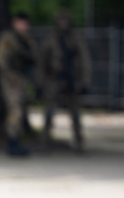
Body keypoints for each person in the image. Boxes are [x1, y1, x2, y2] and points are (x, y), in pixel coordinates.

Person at [38, 8, 91, 151]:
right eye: (61, 20)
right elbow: (42, 61)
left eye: (65, 20)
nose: (63, 23)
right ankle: (44, 141)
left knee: (75, 113)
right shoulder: (51, 39)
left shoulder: (75, 39)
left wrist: (84, 81)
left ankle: (79, 141)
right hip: (54, 79)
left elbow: (84, 60)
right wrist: (41, 82)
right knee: (49, 112)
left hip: (71, 79)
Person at [0, 12, 37, 157]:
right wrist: (11, 77)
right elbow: (1, 60)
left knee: (20, 109)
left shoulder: (26, 40)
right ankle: (12, 142)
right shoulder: (8, 38)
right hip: (11, 79)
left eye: (25, 23)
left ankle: (17, 141)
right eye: (20, 23)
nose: (23, 26)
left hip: (22, 77)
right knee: (15, 110)